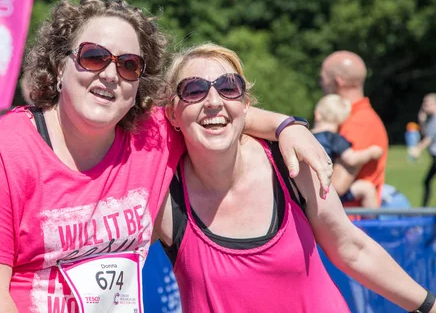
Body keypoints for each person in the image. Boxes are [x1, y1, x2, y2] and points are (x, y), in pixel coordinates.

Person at [0, 0, 332, 313]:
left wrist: (287, 126)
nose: (111, 75)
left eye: (129, 65)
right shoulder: (3, 150)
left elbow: (214, 110)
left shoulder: (151, 136)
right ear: (60, 67)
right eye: (94, 57)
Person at [156, 43, 435, 313]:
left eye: (229, 88)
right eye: (193, 90)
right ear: (172, 113)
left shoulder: (290, 164)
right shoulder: (162, 195)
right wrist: (282, 123)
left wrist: (428, 305)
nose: (213, 101)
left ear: (246, 106)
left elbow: (352, 248)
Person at [319, 51, 389, 206]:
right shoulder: (349, 118)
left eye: (322, 79)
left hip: (353, 223)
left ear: (338, 82)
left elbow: (337, 185)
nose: (321, 84)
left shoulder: (358, 122)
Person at [312, 94, 383, 208]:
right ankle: (374, 224)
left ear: (317, 114)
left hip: (307, 190)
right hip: (327, 192)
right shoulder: (333, 139)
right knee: (367, 188)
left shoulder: (307, 136)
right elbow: (352, 159)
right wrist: (370, 152)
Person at [410, 93, 436, 206]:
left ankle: (424, 208)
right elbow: (426, 134)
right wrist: (422, 122)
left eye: (428, 103)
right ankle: (424, 208)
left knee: (426, 181)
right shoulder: (431, 119)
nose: (425, 105)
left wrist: (417, 149)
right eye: (424, 103)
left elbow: (428, 139)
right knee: (426, 181)